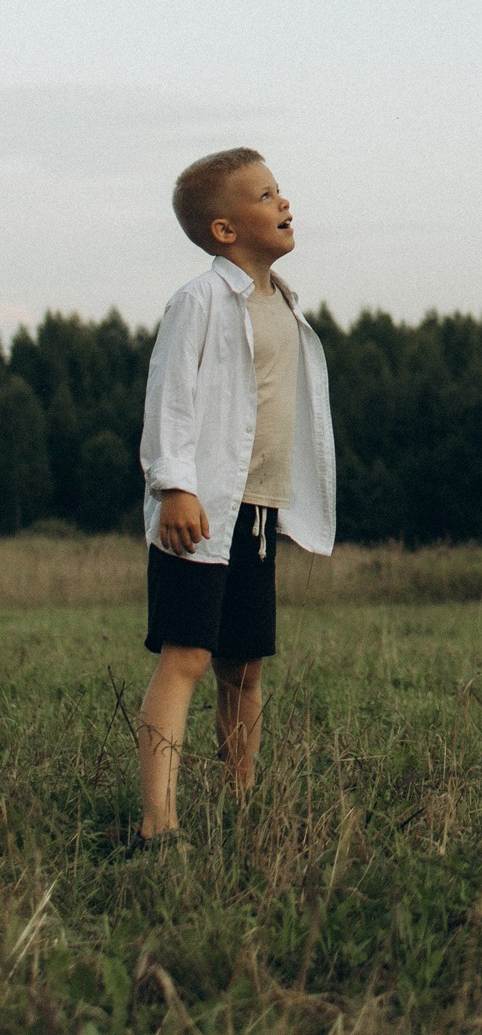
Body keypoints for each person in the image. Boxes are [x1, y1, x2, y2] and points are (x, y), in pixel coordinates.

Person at [132, 148, 336, 849]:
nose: (284, 203)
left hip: (256, 510)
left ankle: (240, 801)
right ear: (225, 229)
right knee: (187, 655)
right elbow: (171, 397)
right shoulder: (199, 301)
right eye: (266, 195)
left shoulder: (280, 300)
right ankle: (157, 822)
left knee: (244, 665)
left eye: (281, 191)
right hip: (202, 510)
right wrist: (175, 486)